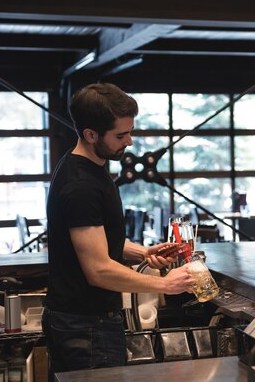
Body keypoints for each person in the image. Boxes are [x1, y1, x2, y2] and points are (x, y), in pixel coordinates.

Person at [43, 83, 196, 377]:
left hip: (83, 321)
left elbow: (96, 241)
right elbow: (98, 269)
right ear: (90, 135)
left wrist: (143, 252)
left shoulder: (93, 165)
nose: (130, 142)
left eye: (130, 131)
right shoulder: (81, 187)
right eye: (121, 135)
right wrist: (166, 284)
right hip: (86, 326)